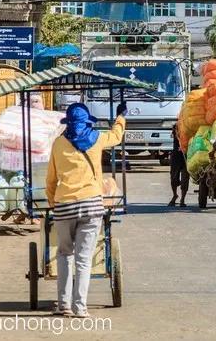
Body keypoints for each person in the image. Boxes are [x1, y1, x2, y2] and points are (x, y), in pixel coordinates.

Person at [46, 102, 126, 318]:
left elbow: (51, 181)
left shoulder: (58, 144)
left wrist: (54, 204)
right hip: (91, 204)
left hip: (63, 206)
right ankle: (79, 307)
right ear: (86, 122)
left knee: (64, 254)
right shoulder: (96, 138)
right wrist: (120, 117)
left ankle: (63, 304)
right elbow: (116, 136)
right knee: (83, 258)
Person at [169, 122, 189, 207]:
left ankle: (182, 199)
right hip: (176, 157)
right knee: (174, 178)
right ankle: (175, 195)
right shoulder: (176, 127)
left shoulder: (189, 128)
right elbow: (173, 134)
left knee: (185, 179)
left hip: (186, 156)